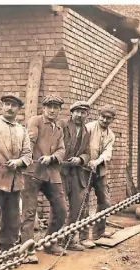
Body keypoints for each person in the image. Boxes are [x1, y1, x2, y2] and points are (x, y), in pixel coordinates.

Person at [20, 95, 68, 263]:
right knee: (29, 212)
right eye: (49, 107)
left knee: (61, 209)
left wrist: (52, 157)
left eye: (56, 107)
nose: (52, 110)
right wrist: (27, 160)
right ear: (44, 108)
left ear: (60, 110)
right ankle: (27, 250)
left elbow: (62, 150)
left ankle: (50, 242)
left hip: (52, 173)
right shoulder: (36, 121)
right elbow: (29, 141)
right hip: (32, 172)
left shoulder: (59, 128)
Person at [0, 94, 32, 253]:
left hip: (14, 183)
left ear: (19, 109)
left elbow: (27, 155)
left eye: (13, 105)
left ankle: (7, 253)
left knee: (12, 220)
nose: (9, 108)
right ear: (2, 106)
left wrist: (18, 162)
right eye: (6, 104)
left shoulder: (22, 130)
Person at [57, 101, 91, 251]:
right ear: (71, 113)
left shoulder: (86, 131)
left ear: (87, 115)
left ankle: (69, 240)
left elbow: (88, 152)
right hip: (61, 171)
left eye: (83, 112)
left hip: (77, 173)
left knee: (76, 206)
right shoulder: (62, 125)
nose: (79, 115)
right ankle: (54, 241)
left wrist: (81, 159)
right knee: (59, 206)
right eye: (77, 111)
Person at [86, 105, 117, 243]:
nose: (104, 119)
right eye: (103, 116)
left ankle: (99, 232)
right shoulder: (89, 128)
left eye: (108, 118)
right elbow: (83, 147)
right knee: (83, 201)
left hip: (100, 170)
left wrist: (97, 162)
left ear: (112, 120)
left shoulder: (111, 135)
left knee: (105, 201)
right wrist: (88, 161)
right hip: (85, 170)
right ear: (98, 115)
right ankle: (83, 236)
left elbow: (107, 153)